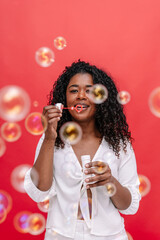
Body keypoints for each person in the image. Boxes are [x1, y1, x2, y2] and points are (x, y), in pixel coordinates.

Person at [24, 60, 141, 240]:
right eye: (73, 90)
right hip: (60, 235)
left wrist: (110, 181)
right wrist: (49, 136)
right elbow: (39, 192)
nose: (80, 95)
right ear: (64, 99)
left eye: (89, 90)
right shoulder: (51, 139)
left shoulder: (120, 144)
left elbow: (129, 206)